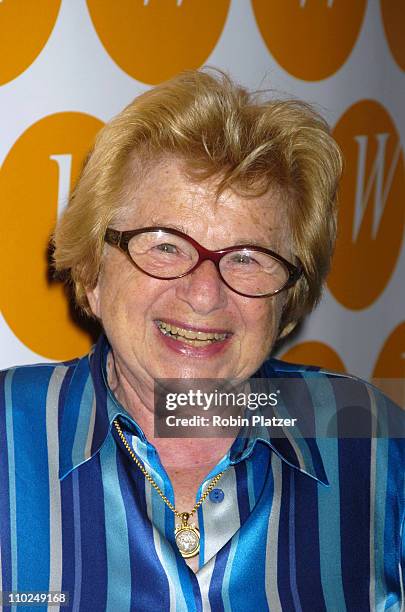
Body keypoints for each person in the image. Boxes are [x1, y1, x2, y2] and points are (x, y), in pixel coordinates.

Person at [0, 69, 403, 611]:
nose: (205, 295)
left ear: (287, 302)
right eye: (164, 246)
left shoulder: (369, 441)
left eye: (247, 258)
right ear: (93, 274)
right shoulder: (7, 434)